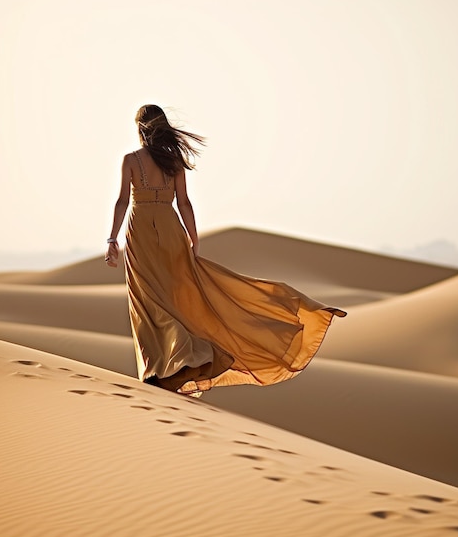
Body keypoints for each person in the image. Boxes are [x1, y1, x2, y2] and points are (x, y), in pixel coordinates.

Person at [106, 104, 346, 397]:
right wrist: (193, 240)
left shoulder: (131, 160)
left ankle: (172, 362)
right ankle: (176, 362)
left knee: (148, 301)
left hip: (141, 229)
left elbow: (121, 202)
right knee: (172, 297)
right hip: (171, 230)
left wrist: (111, 239)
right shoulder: (174, 161)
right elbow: (184, 203)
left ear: (141, 129)